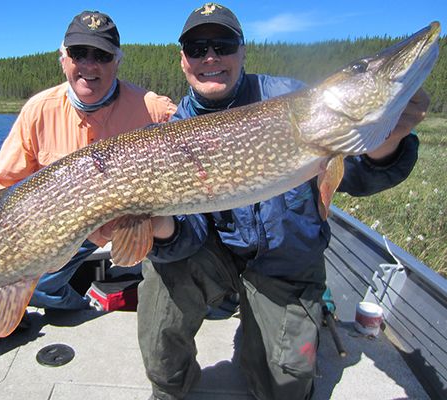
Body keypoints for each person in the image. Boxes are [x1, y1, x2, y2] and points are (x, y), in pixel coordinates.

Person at [132, 3, 429, 400]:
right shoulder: (176, 131)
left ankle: (269, 332)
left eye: (223, 45)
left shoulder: (293, 100)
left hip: (285, 265)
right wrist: (156, 224)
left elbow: (360, 176)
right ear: (183, 59)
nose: (210, 57)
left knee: (285, 388)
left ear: (243, 51)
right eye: (197, 47)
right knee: (161, 278)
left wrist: (389, 139)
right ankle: (170, 387)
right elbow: (187, 236)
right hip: (216, 258)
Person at [0, 10, 176, 313]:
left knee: (177, 266)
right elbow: (1, 183)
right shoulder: (39, 109)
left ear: (117, 61)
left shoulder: (154, 108)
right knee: (36, 287)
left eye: (102, 55)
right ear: (64, 59)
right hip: (71, 230)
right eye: (80, 53)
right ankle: (83, 309)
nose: (90, 65)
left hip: (141, 225)